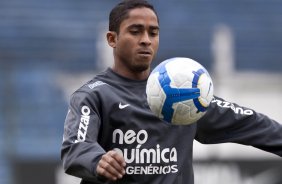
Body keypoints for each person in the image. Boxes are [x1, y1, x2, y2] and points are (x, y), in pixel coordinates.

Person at [61, 0, 282, 183]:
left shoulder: (184, 92)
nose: (146, 40)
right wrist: (98, 160)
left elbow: (251, 123)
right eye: (135, 31)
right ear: (112, 39)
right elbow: (76, 148)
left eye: (153, 32)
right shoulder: (94, 95)